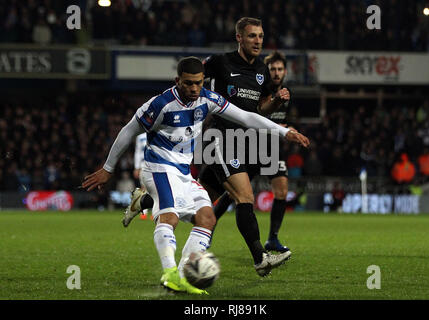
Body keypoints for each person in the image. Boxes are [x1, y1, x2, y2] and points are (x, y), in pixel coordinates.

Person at [81, 57, 310, 294]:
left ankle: (183, 276)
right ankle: (169, 274)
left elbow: (246, 117)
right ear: (177, 80)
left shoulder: (208, 99)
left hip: (182, 172)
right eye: (188, 83)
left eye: (198, 83)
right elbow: (128, 130)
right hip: (158, 167)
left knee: (207, 218)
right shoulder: (160, 104)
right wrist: (108, 168)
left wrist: (284, 132)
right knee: (169, 217)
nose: (193, 88)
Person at [197, 17, 298, 271]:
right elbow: (192, 74)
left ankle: (145, 201)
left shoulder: (262, 72)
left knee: (200, 199)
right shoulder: (221, 62)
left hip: (244, 143)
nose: (258, 41)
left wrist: (276, 101)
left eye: (261, 36)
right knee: (244, 196)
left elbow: (260, 109)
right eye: (252, 36)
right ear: (239, 38)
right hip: (219, 138)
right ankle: (260, 258)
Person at [212, 51, 295, 253]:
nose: (276, 73)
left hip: (272, 148)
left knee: (282, 188)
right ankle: (208, 225)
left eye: (280, 69)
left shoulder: (287, 92)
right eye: (273, 69)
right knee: (235, 194)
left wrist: (285, 128)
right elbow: (252, 114)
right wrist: (278, 127)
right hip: (252, 144)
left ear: (285, 71)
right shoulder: (257, 86)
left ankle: (272, 239)